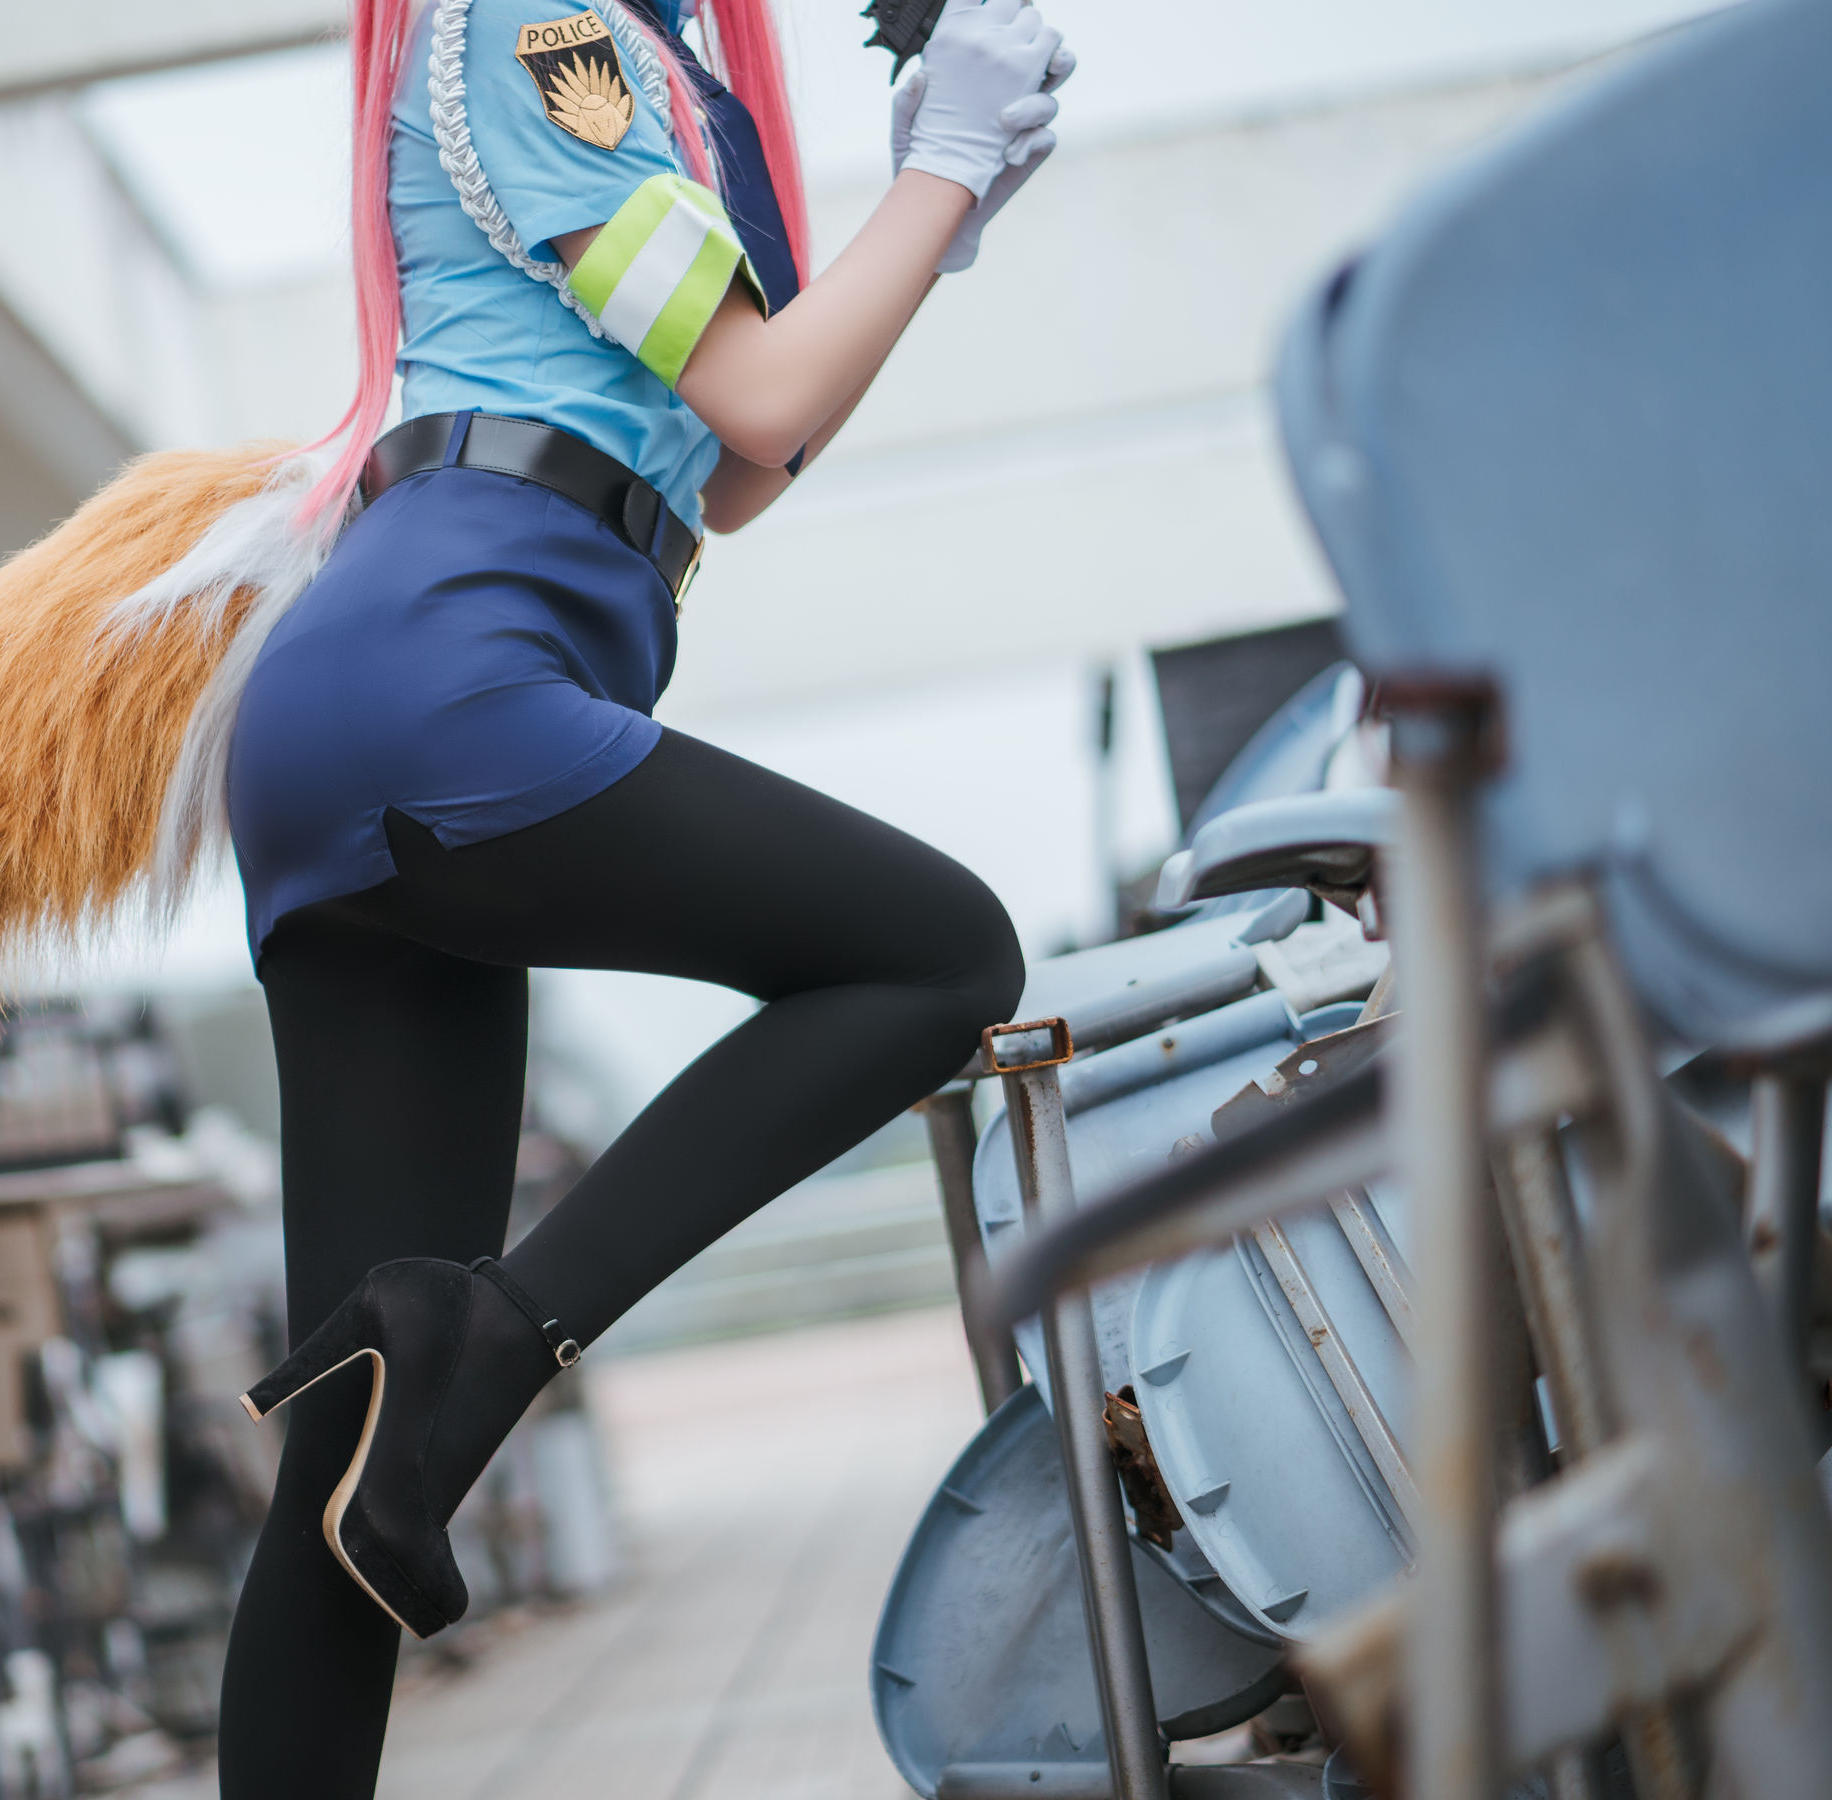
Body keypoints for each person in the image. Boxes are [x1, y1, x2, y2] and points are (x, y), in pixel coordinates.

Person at [214, 0, 1067, 1792]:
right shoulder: (546, 25)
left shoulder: (662, 61)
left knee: (354, 1469)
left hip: (394, 697)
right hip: (451, 675)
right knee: (943, 954)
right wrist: (942, 164)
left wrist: (938, 220)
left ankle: (448, 1363)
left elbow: (738, 468)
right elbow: (766, 394)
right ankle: (493, 1343)